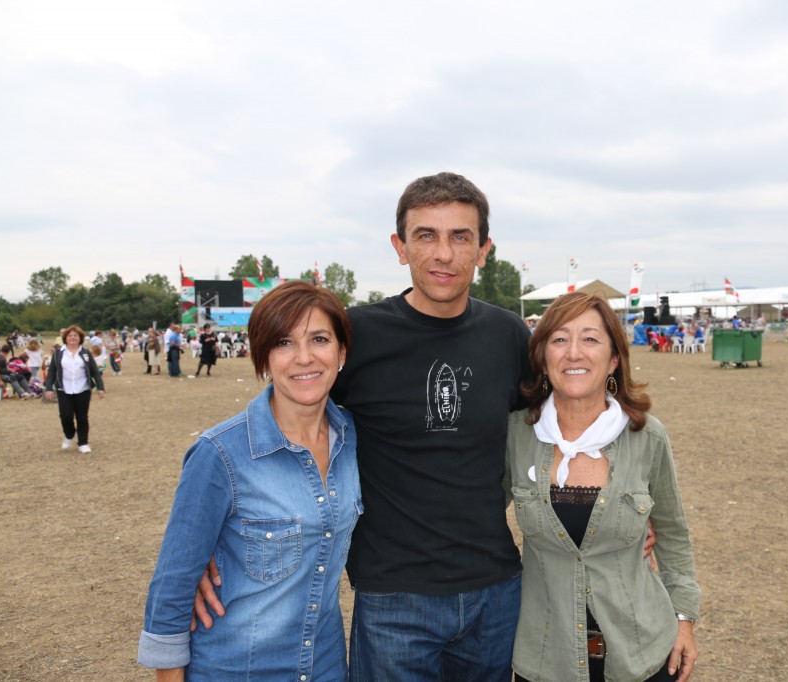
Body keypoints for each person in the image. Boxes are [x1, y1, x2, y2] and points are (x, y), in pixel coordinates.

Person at [193, 172, 534, 681]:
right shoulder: (358, 334)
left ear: (484, 248)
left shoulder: (508, 334)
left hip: (497, 591)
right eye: (426, 235)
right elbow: (276, 426)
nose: (444, 253)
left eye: (460, 236)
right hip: (394, 597)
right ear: (399, 247)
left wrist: (620, 508)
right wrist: (210, 544)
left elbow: (562, 427)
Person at [138, 280, 360, 681]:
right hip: (234, 669)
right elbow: (172, 587)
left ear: (341, 351)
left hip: (325, 666)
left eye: (319, 339)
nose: (304, 358)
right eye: (283, 343)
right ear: (263, 358)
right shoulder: (220, 454)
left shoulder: (355, 440)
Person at [508, 292, 700, 682]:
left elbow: (673, 534)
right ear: (543, 356)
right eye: (559, 339)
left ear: (614, 358)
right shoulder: (515, 434)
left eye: (591, 339)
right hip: (547, 657)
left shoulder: (647, 436)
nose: (574, 353)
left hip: (641, 654)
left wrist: (683, 619)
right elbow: (472, 512)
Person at [43, 326, 105, 453]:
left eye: (75, 335)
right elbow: (52, 372)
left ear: (80, 338)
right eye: (70, 335)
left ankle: (83, 442)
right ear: (65, 338)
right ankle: (69, 435)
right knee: (66, 416)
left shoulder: (86, 353)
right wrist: (48, 388)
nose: (72, 337)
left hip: (83, 389)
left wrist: (100, 387)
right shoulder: (58, 353)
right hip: (64, 389)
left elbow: (95, 372)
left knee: (82, 417)